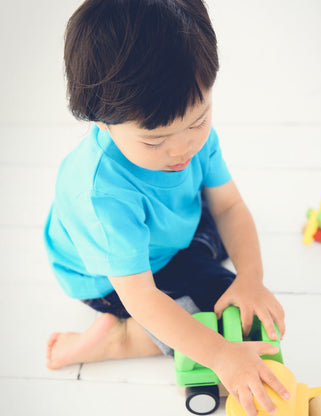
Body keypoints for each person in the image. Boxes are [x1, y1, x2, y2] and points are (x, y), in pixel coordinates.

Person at [44, 1, 289, 415]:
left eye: (198, 121)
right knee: (216, 314)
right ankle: (122, 340)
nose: (182, 149)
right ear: (101, 121)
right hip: (117, 277)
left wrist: (251, 278)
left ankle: (177, 303)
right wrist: (222, 356)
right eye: (154, 141)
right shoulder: (102, 195)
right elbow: (142, 296)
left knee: (239, 290)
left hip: (170, 230)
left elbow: (228, 206)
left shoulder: (186, 134)